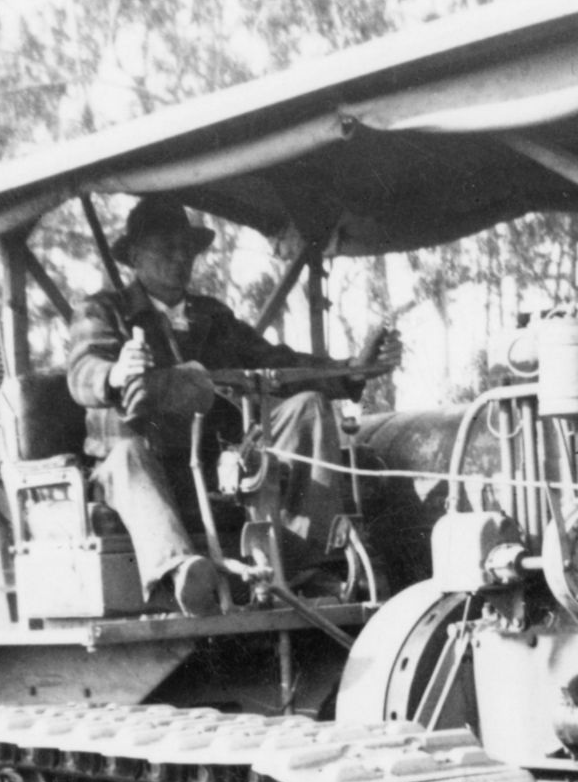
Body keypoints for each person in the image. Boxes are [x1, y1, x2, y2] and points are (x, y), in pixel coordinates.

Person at [65, 199, 401, 616]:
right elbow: (81, 370)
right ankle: (182, 572)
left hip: (207, 463)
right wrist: (115, 374)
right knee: (128, 456)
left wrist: (354, 369)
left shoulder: (213, 317)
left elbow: (277, 362)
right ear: (134, 256)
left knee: (307, 408)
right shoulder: (102, 312)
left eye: (187, 247)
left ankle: (296, 563)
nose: (180, 256)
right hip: (138, 467)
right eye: (166, 246)